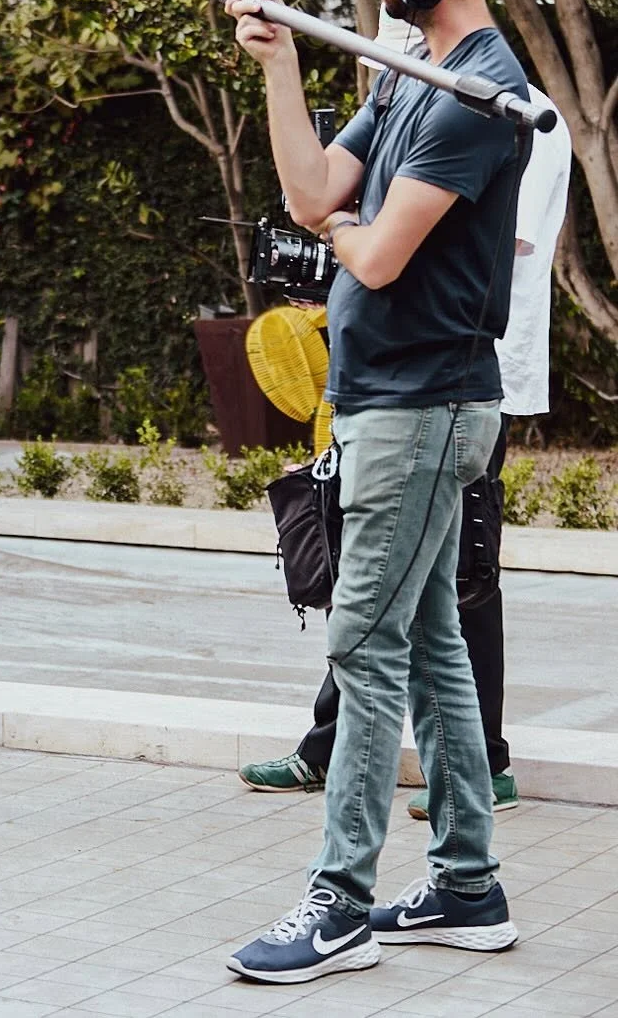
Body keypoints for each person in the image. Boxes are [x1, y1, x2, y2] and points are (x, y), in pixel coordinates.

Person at [224, 0, 529, 984]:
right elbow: (313, 197)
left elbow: (378, 253)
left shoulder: (481, 94)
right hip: (398, 402)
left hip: (424, 406)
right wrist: (278, 66)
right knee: (436, 645)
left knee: (363, 642)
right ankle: (465, 884)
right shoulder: (409, 81)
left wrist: (349, 230)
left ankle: (340, 903)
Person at [239, 73, 571, 820]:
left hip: (469, 381)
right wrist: (345, 267)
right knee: (380, 572)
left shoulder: (519, 113)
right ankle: (334, 748)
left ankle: (486, 767)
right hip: (398, 378)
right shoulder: (411, 96)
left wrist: (355, 239)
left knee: (461, 577)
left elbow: (477, 241)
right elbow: (368, 228)